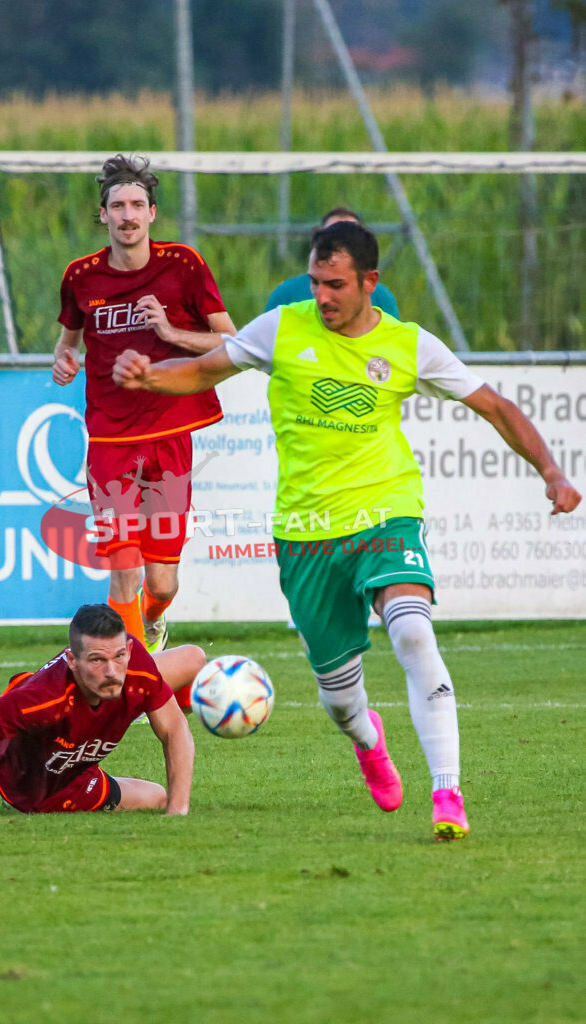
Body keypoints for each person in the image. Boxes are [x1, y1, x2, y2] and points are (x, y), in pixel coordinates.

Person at [111, 220, 582, 841]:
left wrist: (551, 471)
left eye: (335, 284)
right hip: (305, 536)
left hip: (385, 515)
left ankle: (447, 793)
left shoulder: (408, 344)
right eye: (315, 281)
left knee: (412, 633)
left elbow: (494, 405)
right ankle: (367, 739)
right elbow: (204, 371)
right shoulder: (282, 328)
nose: (322, 295)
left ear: (369, 282)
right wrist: (151, 376)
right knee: (340, 698)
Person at [52, 153, 236, 662]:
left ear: (152, 213)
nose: (127, 215)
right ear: (104, 214)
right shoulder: (81, 276)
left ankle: (153, 619)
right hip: (111, 441)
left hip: (170, 435)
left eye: (137, 205)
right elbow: (67, 343)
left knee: (161, 582)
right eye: (118, 206)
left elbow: (232, 342)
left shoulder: (183, 265)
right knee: (124, 569)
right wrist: (64, 360)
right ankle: (136, 678)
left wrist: (170, 331)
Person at [0, 603, 203, 821]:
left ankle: (155, 700)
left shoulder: (134, 664)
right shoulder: (42, 701)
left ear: (129, 649)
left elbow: (174, 728)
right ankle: (149, 702)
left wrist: (177, 813)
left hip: (79, 750)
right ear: (72, 660)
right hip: (38, 787)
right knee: (154, 796)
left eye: (119, 656)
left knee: (194, 657)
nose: (112, 672)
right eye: (97, 660)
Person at [265, 206, 400, 319]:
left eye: (337, 285)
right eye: (332, 235)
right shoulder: (286, 293)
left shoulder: (381, 296)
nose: (322, 298)